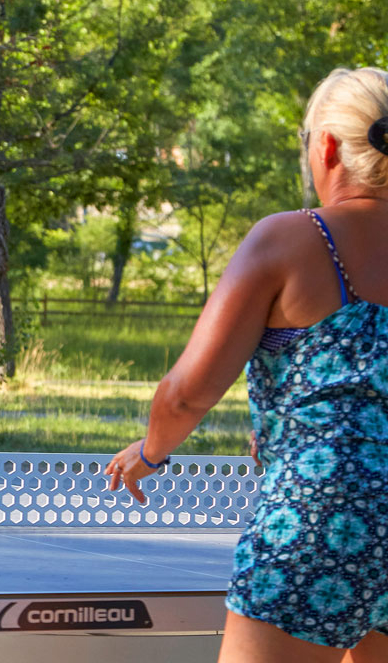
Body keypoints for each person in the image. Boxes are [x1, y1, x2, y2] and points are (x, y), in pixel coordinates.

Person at [106, 67, 388, 663]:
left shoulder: (291, 239)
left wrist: (151, 450)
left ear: (329, 147)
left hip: (324, 514)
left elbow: (187, 393)